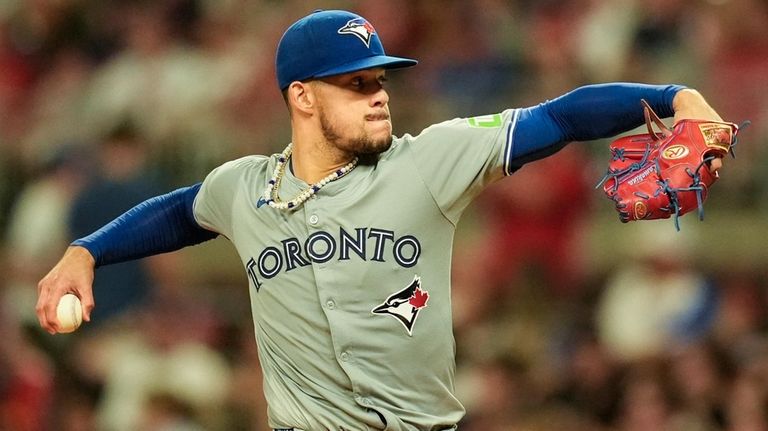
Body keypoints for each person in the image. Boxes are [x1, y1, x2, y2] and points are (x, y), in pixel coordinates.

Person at [35, 9, 729, 431]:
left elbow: (561, 116)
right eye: (357, 83)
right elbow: (178, 212)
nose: (378, 96)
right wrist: (86, 251)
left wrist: (673, 95)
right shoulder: (244, 187)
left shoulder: (429, 160)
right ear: (302, 97)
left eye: (380, 80)